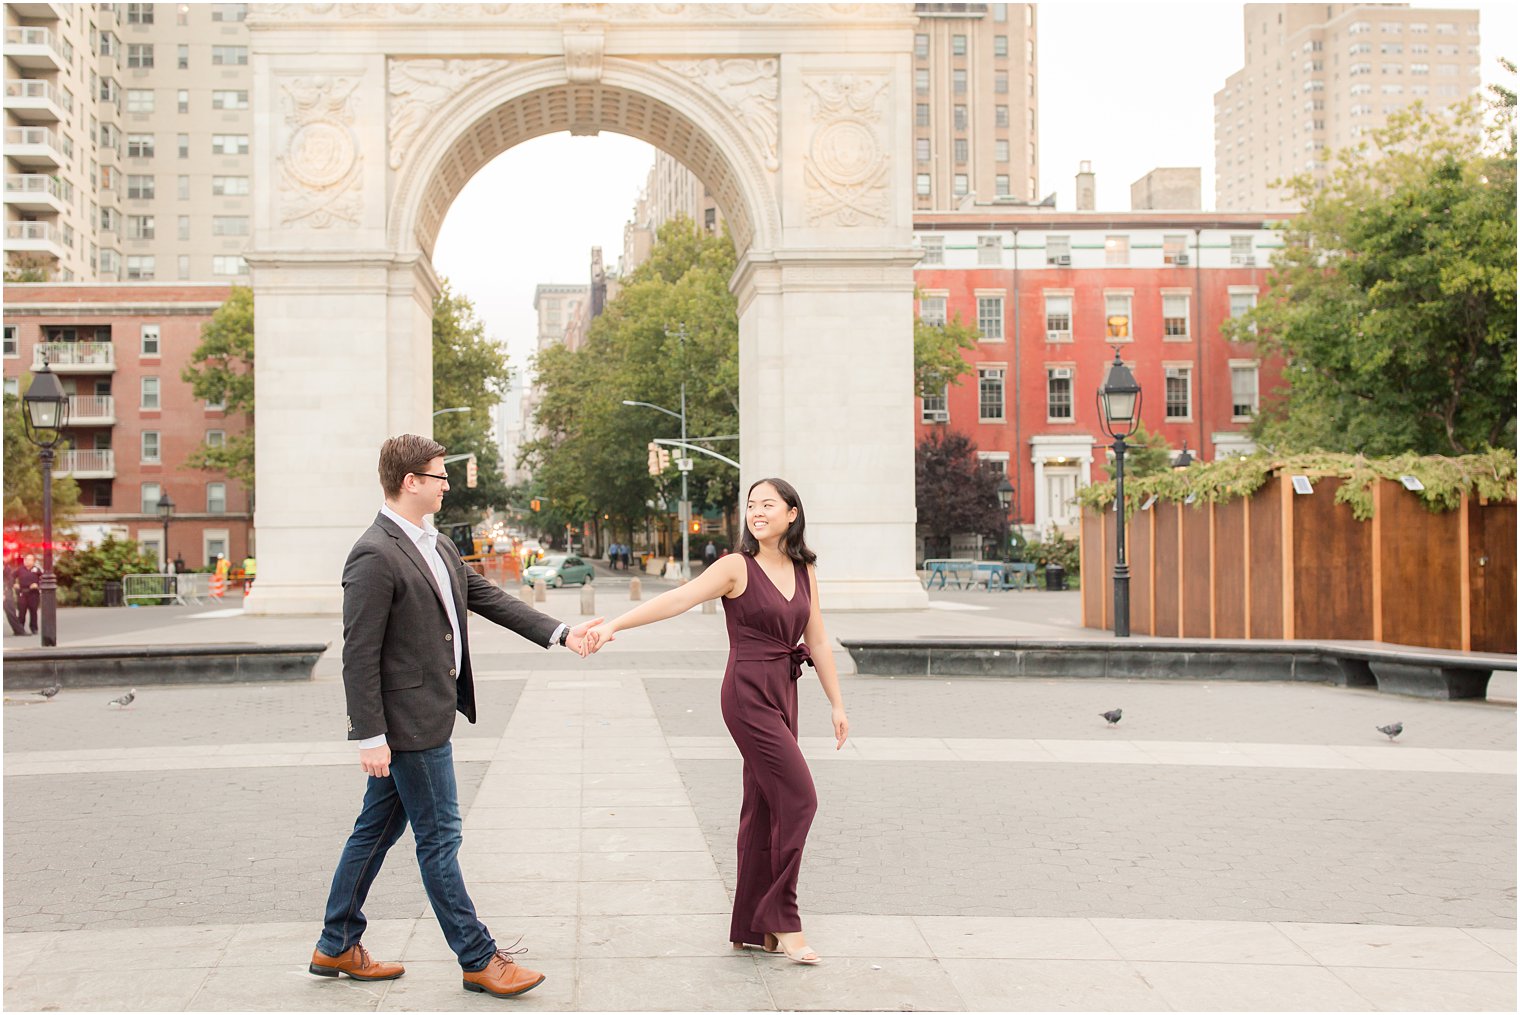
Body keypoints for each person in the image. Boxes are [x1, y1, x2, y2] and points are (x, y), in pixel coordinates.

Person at [309, 434, 604, 999]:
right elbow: (358, 652)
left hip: (428, 714)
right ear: (411, 481)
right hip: (409, 723)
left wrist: (562, 632)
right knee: (439, 838)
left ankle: (336, 940)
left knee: (375, 830)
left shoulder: (435, 544)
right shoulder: (374, 552)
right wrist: (368, 734)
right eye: (440, 476)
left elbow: (487, 596)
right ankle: (477, 957)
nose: (447, 485)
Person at [583, 478, 848, 964]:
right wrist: (614, 624)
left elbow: (820, 639)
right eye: (751, 505)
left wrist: (836, 703)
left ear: (792, 513)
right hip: (747, 695)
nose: (757, 512)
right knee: (800, 798)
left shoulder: (805, 570)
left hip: (785, 691)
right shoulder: (735, 566)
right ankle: (783, 918)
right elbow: (678, 599)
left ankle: (752, 923)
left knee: (765, 805)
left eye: (768, 504)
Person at [15, 553, 42, 635]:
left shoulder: (37, 570)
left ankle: (34, 628)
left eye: (30, 559)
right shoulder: (20, 570)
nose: (27, 561)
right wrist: (14, 584)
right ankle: (20, 629)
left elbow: (43, 579)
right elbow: (11, 577)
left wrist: (37, 585)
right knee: (21, 612)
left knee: (33, 611)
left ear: (33, 561)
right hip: (22, 592)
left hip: (33, 593)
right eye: (26, 559)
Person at [4, 554, 26, 636]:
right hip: (5, 593)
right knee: (11, 612)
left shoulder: (7, 568)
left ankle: (19, 631)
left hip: (6, 593)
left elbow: (9, 581)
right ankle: (19, 631)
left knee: (11, 612)